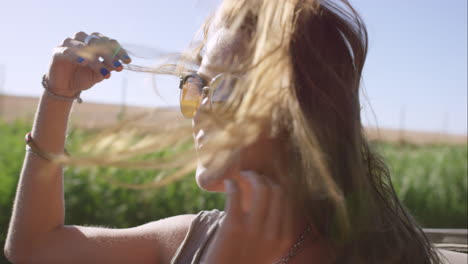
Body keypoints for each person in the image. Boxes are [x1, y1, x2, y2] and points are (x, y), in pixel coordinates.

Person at [4, 0, 446, 263]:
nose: (200, 110)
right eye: (195, 85)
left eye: (229, 86)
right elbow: (34, 249)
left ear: (304, 112)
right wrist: (57, 95)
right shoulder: (195, 236)